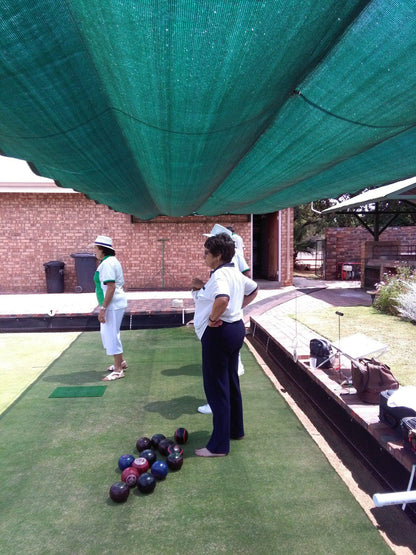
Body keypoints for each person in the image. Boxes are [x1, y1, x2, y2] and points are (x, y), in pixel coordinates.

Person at [191, 232, 258, 457]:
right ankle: (235, 430)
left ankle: (218, 446)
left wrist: (212, 320)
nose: (204, 256)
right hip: (235, 329)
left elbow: (222, 299)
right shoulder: (235, 273)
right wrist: (237, 308)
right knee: (230, 381)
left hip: (219, 333)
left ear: (218, 256)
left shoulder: (220, 275)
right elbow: (254, 288)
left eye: (207, 253)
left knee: (216, 387)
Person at [93, 235, 128, 381]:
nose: (94, 250)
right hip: (114, 304)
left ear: (102, 249)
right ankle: (120, 362)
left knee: (112, 334)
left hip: (112, 305)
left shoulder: (107, 264)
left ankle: (118, 370)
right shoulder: (109, 261)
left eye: (95, 248)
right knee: (110, 333)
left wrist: (103, 308)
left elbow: (111, 287)